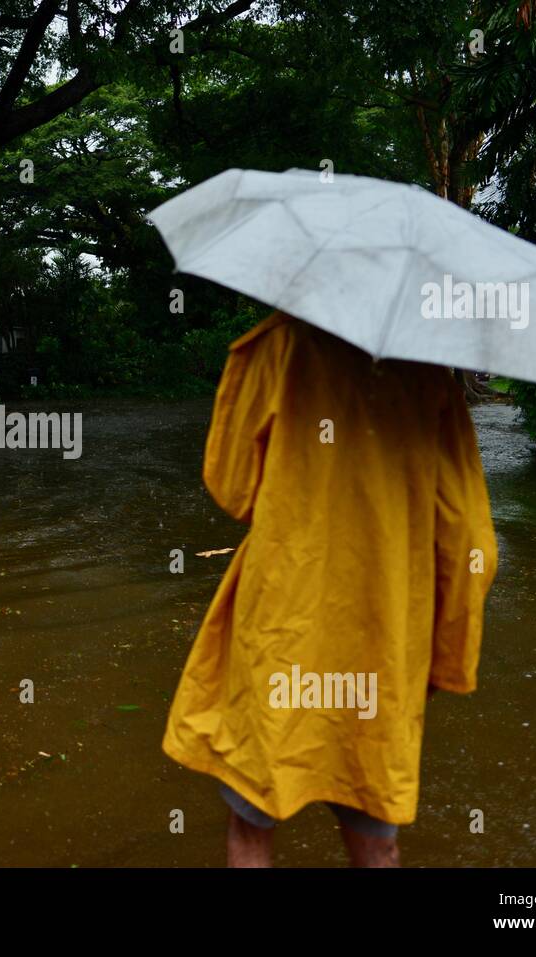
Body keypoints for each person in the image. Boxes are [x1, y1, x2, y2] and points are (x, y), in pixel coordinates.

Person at [162, 311, 498, 867]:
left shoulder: (276, 346)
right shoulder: (429, 372)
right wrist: (440, 659)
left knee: (251, 824)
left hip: (281, 624)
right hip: (382, 629)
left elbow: (234, 488)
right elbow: (469, 543)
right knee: (374, 834)